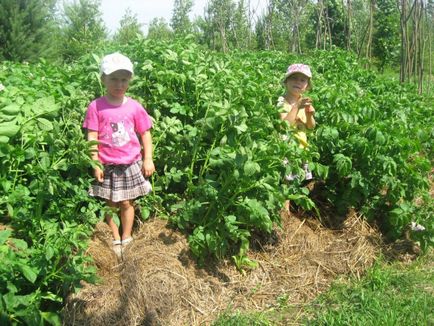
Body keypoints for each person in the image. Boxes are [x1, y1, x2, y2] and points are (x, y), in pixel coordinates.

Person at [83, 52, 155, 258]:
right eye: (113, 78)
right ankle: (114, 237)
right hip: (107, 165)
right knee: (111, 203)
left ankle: (127, 237)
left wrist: (148, 158)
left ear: (130, 80)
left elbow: (145, 134)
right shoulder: (96, 106)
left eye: (124, 79)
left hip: (130, 163)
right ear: (103, 79)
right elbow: (92, 136)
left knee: (127, 203)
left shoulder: (134, 106)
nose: (119, 84)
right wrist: (95, 162)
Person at [278, 64, 315, 212]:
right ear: (286, 82)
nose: (297, 82)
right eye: (293, 78)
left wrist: (310, 115)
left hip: (300, 148)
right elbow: (284, 125)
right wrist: (297, 107)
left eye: (302, 80)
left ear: (306, 86)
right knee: (285, 180)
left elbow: (311, 127)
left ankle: (287, 207)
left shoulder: (305, 102)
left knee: (294, 179)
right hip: (286, 148)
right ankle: (283, 209)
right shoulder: (282, 101)